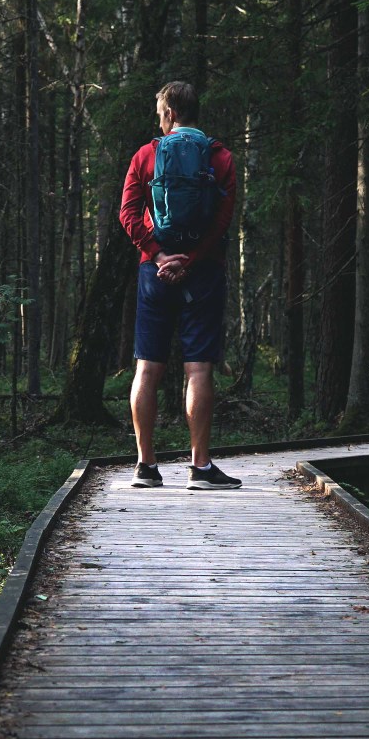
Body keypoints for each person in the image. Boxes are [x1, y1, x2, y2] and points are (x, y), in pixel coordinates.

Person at [119, 81, 242, 490]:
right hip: (203, 271)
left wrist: (158, 256)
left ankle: (146, 466)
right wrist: (191, 258)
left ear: (170, 113)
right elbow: (222, 220)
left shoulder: (146, 155)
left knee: (147, 367)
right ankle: (200, 467)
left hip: (153, 273)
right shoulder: (221, 157)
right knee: (199, 368)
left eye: (160, 114)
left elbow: (128, 214)